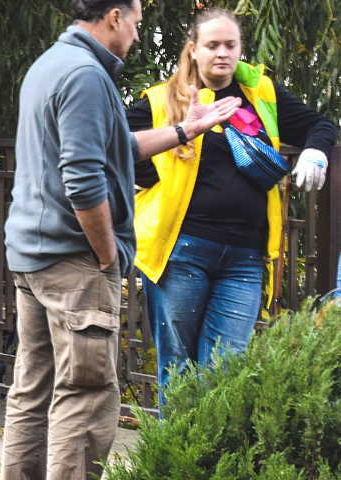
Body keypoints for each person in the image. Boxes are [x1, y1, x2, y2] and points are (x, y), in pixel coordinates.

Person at [0, 0, 239, 480]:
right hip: (74, 260)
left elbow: (113, 151)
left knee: (33, 390)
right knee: (86, 392)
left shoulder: (52, 64)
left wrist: (183, 130)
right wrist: (107, 255)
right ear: (111, 17)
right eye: (136, 18)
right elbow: (83, 178)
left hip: (32, 255)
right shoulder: (85, 76)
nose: (139, 29)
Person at [128, 8, 337, 397]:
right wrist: (165, 161)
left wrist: (315, 152)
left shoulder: (261, 95)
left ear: (241, 48)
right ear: (193, 50)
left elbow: (321, 125)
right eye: (212, 45)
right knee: (179, 368)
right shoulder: (161, 100)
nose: (222, 53)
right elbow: (113, 148)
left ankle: (210, 459)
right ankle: (177, 458)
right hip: (181, 250)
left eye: (231, 45)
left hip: (243, 256)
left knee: (225, 374)